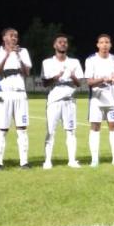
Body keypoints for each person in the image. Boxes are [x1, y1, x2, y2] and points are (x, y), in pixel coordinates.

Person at [0, 28, 32, 170]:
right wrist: (7, 55)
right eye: (11, 35)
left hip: (20, 94)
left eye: (16, 36)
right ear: (4, 38)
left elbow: (27, 72)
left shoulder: (23, 52)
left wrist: (18, 56)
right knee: (2, 129)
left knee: (22, 129)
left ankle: (24, 162)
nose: (14, 38)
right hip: (4, 94)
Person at [40, 33, 84, 169]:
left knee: (71, 131)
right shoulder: (47, 62)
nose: (63, 44)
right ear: (54, 45)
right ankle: (47, 161)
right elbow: (44, 83)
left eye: (65, 42)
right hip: (54, 101)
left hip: (69, 101)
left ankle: (72, 160)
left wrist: (72, 76)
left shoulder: (74, 62)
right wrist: (55, 78)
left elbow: (79, 83)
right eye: (60, 42)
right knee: (51, 131)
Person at [84, 34, 114, 166]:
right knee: (95, 127)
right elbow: (89, 82)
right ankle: (94, 159)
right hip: (96, 101)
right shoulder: (91, 60)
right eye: (102, 42)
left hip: (111, 101)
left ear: (110, 44)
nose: (104, 45)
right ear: (97, 45)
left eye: (107, 42)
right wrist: (102, 79)